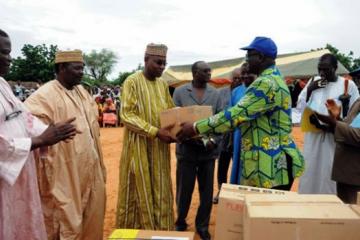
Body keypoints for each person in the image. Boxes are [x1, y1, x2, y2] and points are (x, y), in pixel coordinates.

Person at [177, 36, 304, 191]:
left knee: (263, 212)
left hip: (270, 164)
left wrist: (196, 127)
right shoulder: (275, 79)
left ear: (260, 57)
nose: (246, 60)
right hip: (273, 162)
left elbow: (235, 115)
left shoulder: (266, 84)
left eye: (248, 56)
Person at [0, 29, 79, 240]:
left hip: (19, 175)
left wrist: (50, 131)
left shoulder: (2, 85)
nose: (10, 58)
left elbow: (23, 118)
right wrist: (40, 140)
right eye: (4, 53)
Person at [25, 50, 106, 240]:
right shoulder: (42, 98)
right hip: (63, 175)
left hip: (90, 170)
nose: (81, 72)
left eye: (82, 68)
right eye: (77, 68)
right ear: (61, 68)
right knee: (66, 224)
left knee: (92, 220)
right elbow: (31, 133)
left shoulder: (82, 92)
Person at [116, 43, 175, 230]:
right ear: (146, 60)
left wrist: (179, 127)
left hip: (159, 147)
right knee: (136, 189)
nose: (161, 67)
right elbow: (126, 115)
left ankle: (160, 230)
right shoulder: (132, 81)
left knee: (160, 187)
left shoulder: (163, 84)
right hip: (138, 146)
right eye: (158, 62)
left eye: (164, 63)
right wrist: (155, 131)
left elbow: (170, 110)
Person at [172, 61, 222, 240]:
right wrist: (184, 135)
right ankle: (180, 222)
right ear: (194, 73)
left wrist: (213, 141)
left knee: (206, 192)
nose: (209, 73)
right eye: (205, 71)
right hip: (186, 150)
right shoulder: (179, 92)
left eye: (210, 70)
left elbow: (221, 122)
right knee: (183, 190)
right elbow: (173, 120)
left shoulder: (215, 94)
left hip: (208, 152)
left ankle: (202, 226)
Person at [297, 53, 359, 194]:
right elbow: (300, 106)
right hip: (313, 138)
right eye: (320, 69)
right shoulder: (314, 81)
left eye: (326, 69)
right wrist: (310, 89)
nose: (322, 73)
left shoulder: (348, 85)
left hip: (334, 139)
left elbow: (355, 113)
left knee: (329, 174)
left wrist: (342, 110)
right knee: (310, 170)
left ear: (335, 68)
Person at [314, 98, 360, 203]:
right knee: (346, 214)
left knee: (354, 214)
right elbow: (352, 127)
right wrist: (337, 118)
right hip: (346, 172)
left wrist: (335, 123)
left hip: (355, 176)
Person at [213, 66, 247, 204]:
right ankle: (221, 191)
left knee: (238, 164)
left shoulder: (246, 92)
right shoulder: (221, 93)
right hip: (224, 135)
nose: (238, 81)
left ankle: (236, 193)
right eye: (236, 78)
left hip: (239, 135)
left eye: (241, 78)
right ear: (231, 79)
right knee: (222, 165)